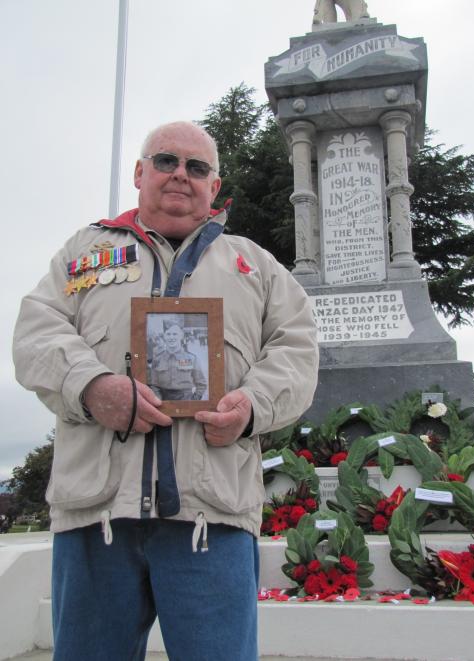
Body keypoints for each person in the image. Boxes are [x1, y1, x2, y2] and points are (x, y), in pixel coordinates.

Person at [13, 121, 319, 661]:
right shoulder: (82, 252)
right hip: (97, 517)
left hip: (211, 520)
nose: (181, 174)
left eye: (197, 167)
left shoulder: (256, 266)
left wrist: (251, 407)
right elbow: (36, 334)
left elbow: (297, 350)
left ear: (214, 185)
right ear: (139, 172)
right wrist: (92, 386)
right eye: (166, 161)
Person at [149, 322, 207, 400]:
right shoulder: (157, 359)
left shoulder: (192, 358)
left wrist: (194, 400)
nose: (171, 337)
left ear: (181, 336)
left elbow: (201, 384)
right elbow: (153, 384)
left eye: (175, 334)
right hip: (163, 401)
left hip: (186, 400)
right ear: (164, 336)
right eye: (168, 334)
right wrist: (159, 401)